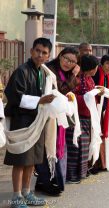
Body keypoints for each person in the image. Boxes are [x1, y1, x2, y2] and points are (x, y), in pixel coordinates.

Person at [4, 37, 55, 207]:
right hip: (22, 119)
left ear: (48, 56)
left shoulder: (45, 73)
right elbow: (15, 96)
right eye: (37, 51)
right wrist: (41, 100)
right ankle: (16, 196)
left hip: (37, 120)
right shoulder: (22, 71)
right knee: (20, 158)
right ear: (31, 51)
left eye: (44, 53)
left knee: (31, 159)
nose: (40, 55)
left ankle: (27, 192)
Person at [35, 47, 80, 196]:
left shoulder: (66, 72)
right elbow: (59, 90)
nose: (68, 63)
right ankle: (47, 182)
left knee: (57, 148)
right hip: (46, 115)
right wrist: (73, 75)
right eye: (67, 59)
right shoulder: (50, 70)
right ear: (60, 56)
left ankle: (50, 181)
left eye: (73, 62)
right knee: (47, 147)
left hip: (58, 117)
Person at [66, 55, 103, 183]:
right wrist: (86, 97)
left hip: (88, 117)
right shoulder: (76, 79)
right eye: (95, 67)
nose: (96, 69)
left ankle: (81, 172)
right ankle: (71, 175)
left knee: (85, 147)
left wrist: (97, 92)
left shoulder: (90, 79)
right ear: (90, 68)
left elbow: (91, 96)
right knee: (75, 147)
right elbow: (71, 96)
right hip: (77, 116)